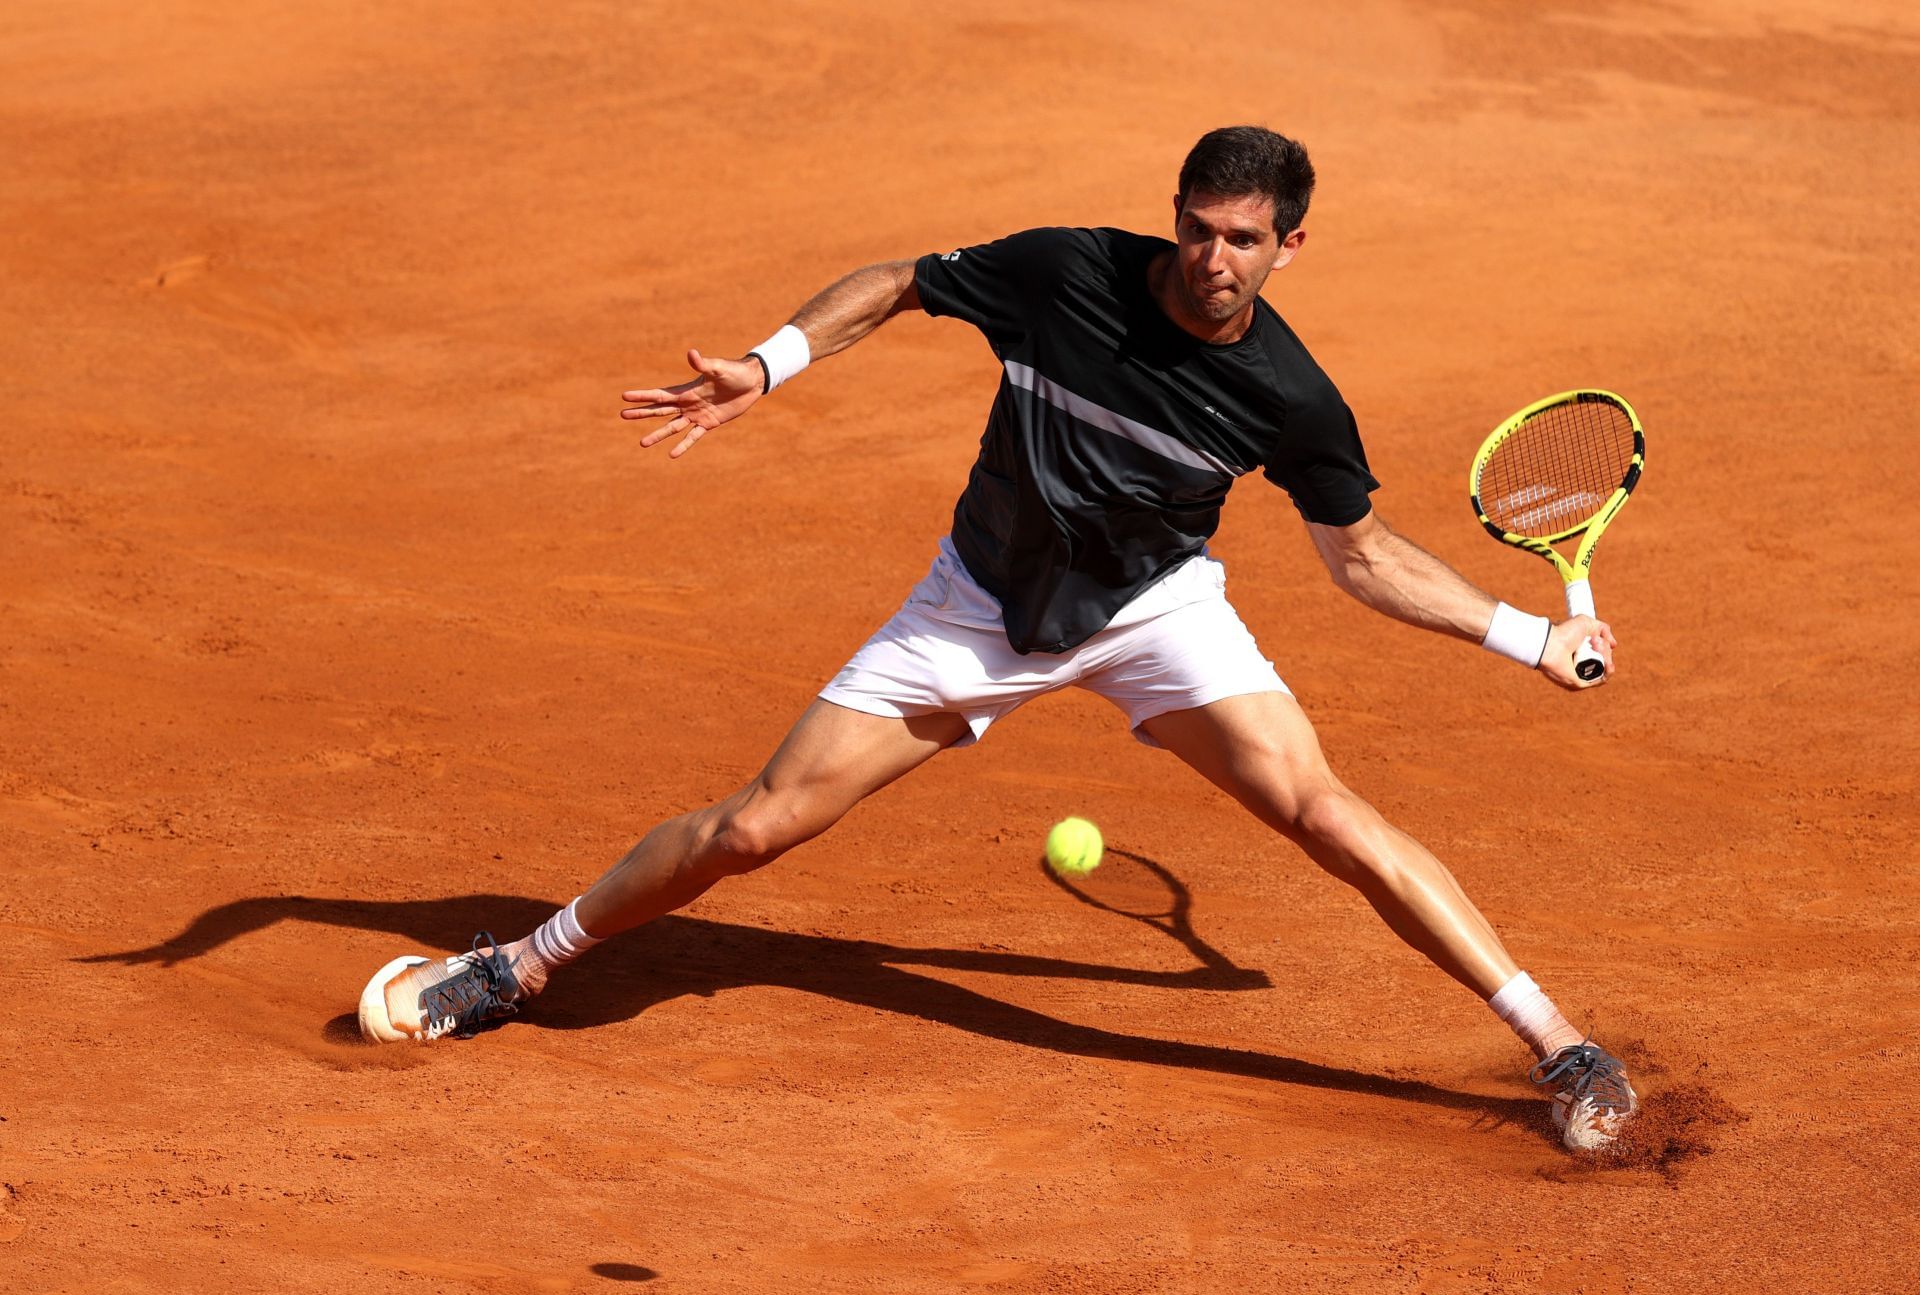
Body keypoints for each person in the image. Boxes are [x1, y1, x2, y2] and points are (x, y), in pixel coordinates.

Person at [356, 126, 1637, 1152]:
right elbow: (906, 281)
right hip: (974, 612)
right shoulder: (1066, 271)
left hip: (1151, 613)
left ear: (1290, 244)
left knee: (1325, 812)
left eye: (1243, 240)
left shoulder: (1290, 396)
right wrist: (773, 360)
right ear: (1175, 213)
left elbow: (1362, 555)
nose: (1211, 258)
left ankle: (1557, 1041)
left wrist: (1532, 637)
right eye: (1196, 228)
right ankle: (516, 963)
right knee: (752, 829)